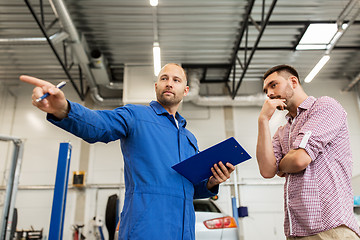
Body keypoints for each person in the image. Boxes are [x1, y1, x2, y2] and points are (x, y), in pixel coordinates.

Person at [20, 63, 235, 240]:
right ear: (156, 86)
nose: (169, 83)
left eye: (176, 80)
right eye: (164, 78)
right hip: (145, 229)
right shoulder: (135, 115)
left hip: (184, 231)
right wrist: (63, 108)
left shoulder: (189, 138)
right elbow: (98, 125)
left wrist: (212, 182)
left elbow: (190, 187)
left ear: (185, 90)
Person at [256, 64, 360, 239]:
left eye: (274, 85)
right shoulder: (282, 131)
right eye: (266, 90)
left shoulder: (324, 107)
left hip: (330, 228)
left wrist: (281, 165)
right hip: (297, 231)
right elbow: (267, 170)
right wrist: (263, 119)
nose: (270, 94)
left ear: (293, 81)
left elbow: (298, 160)